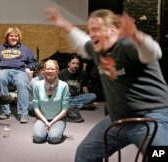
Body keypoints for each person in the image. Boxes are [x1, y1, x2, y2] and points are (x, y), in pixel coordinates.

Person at [45, 6, 168, 161]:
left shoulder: (128, 45)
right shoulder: (97, 49)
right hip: (117, 119)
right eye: (90, 30)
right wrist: (63, 23)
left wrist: (137, 36)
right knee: (85, 154)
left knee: (161, 156)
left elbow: (153, 53)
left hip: (151, 116)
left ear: (111, 30)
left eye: (95, 29)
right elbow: (81, 40)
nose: (91, 34)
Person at [0, 27, 38, 123]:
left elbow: (34, 62)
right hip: (3, 70)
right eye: (11, 36)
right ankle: (4, 111)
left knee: (22, 83)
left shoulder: (25, 50)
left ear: (19, 38)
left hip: (20, 71)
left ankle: (23, 113)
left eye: (16, 36)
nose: (14, 38)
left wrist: (29, 68)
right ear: (7, 37)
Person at [32, 60, 69, 144]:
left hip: (58, 119)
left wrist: (51, 123)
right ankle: (45, 131)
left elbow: (64, 110)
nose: (49, 71)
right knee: (38, 138)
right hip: (42, 118)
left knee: (54, 138)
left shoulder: (64, 85)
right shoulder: (37, 85)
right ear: (44, 71)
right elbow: (36, 108)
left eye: (52, 69)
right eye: (47, 69)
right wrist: (45, 122)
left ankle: (54, 131)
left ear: (57, 70)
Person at [58, 54, 97, 123]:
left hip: (78, 97)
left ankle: (73, 105)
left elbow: (84, 87)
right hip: (67, 97)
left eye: (77, 64)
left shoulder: (83, 73)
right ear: (69, 63)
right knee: (60, 101)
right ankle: (81, 106)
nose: (75, 65)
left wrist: (89, 98)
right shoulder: (62, 73)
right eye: (73, 63)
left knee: (93, 96)